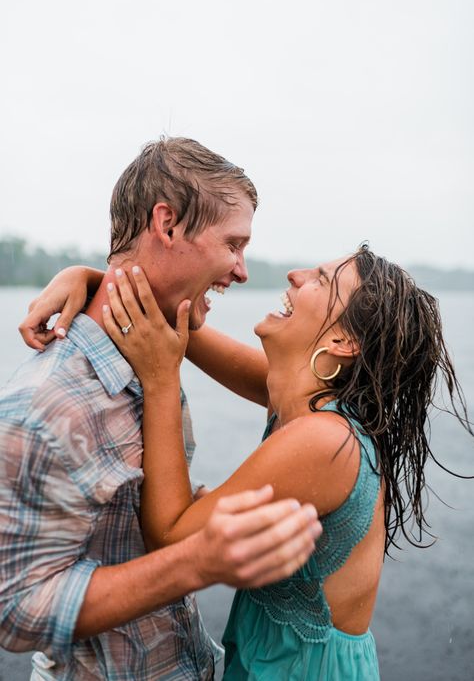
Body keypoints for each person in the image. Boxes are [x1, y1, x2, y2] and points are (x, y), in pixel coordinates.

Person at [23, 244, 472, 679]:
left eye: (320, 279)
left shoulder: (324, 441)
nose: (295, 275)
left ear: (342, 340)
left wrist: (161, 381)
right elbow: (166, 324)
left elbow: (170, 537)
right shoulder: (301, 398)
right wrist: (87, 278)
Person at [0, 137, 323, 681]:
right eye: (233, 244)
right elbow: (13, 609)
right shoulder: (43, 406)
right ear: (167, 224)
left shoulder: (156, 357)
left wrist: (95, 276)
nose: (242, 271)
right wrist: (195, 562)